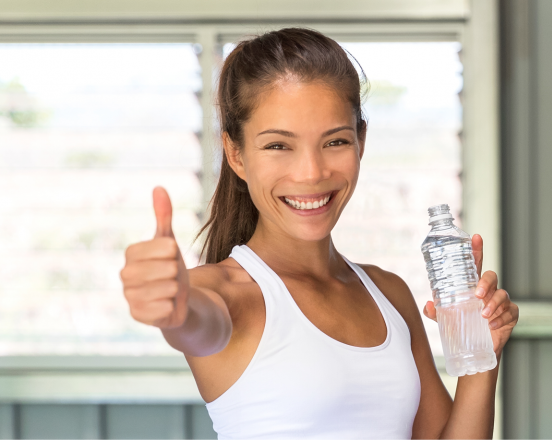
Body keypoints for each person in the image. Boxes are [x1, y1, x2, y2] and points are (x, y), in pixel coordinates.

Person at [119, 28, 518, 439]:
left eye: (335, 141)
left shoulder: (389, 295)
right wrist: (174, 308)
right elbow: (196, 321)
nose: (311, 173)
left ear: (361, 141)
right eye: (278, 146)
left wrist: (480, 356)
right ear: (236, 153)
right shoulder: (223, 293)